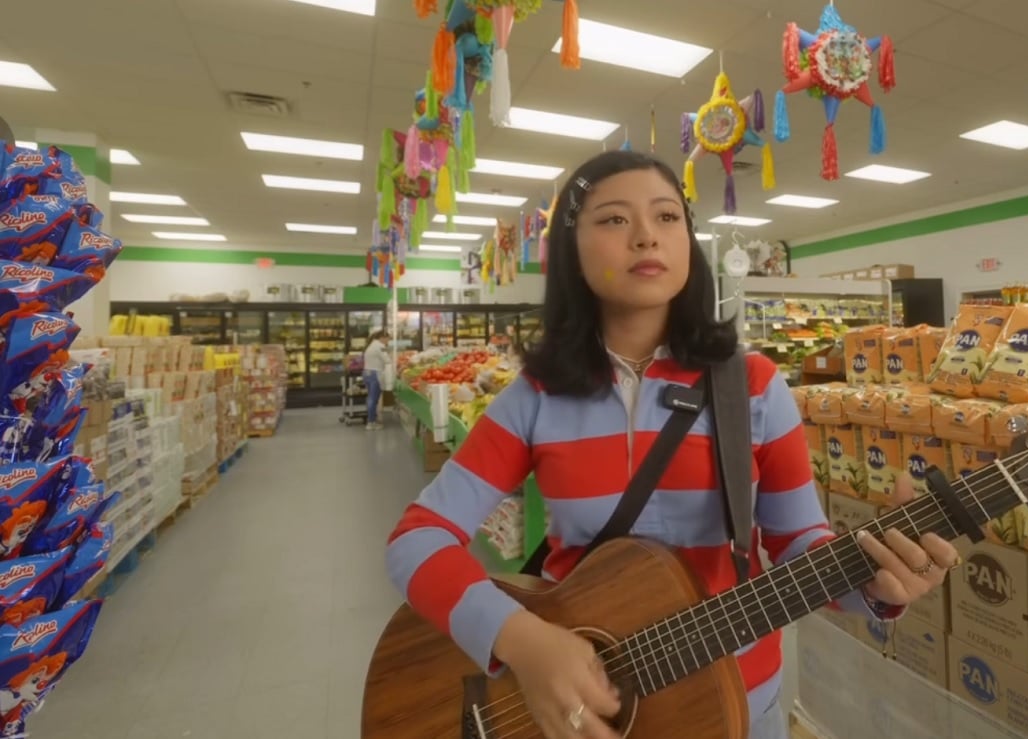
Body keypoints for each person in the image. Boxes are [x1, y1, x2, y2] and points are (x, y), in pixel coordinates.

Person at [386, 151, 959, 739]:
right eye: (613, 220)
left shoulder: (754, 386)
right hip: (583, 708)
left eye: (667, 217)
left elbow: (798, 546)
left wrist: (875, 584)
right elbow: (416, 540)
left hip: (737, 702)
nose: (645, 237)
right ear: (571, 252)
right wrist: (521, 640)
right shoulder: (535, 397)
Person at [363, 330, 389, 430]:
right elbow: (387, 360)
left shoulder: (371, 345)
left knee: (370, 398)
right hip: (375, 373)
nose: (388, 341)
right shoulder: (380, 346)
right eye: (388, 339)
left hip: (367, 373)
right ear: (382, 337)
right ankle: (371, 422)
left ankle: (371, 420)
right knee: (373, 399)